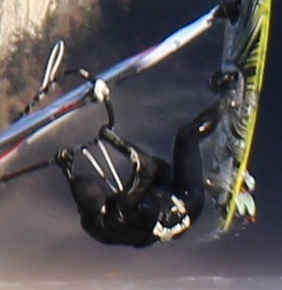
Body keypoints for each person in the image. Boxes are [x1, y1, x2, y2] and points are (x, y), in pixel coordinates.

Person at [54, 74, 240, 249]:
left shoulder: (91, 224)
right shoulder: (121, 209)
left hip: (158, 206)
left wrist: (66, 167)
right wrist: (113, 140)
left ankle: (202, 178)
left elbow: (81, 194)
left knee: (157, 171)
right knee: (185, 136)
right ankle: (228, 99)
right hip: (187, 201)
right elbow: (145, 166)